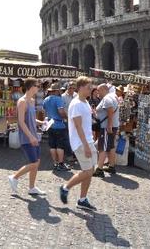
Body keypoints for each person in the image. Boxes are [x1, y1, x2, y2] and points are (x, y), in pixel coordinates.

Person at [59, 76, 98, 211]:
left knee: (90, 170)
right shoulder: (76, 104)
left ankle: (82, 199)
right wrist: (86, 145)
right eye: (88, 87)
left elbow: (85, 124)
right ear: (80, 88)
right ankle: (66, 187)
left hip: (87, 140)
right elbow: (78, 127)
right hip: (81, 142)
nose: (91, 90)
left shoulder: (85, 102)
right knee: (87, 171)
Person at [8, 78, 46, 196]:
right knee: (34, 163)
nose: (38, 88)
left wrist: (42, 122)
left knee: (36, 162)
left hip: (34, 135)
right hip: (27, 137)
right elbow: (21, 121)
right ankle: (14, 177)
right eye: (37, 85)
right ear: (30, 87)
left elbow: (31, 119)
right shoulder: (22, 101)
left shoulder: (32, 100)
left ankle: (32, 187)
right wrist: (30, 136)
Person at [93, 84, 120, 178]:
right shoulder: (113, 96)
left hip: (106, 127)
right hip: (112, 125)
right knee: (111, 146)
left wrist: (109, 125)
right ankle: (111, 166)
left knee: (103, 147)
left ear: (104, 89)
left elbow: (110, 110)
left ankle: (99, 169)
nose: (97, 92)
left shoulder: (107, 98)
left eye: (98, 90)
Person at [43, 82, 70, 171]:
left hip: (50, 124)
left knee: (52, 145)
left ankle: (55, 163)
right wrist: (67, 118)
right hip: (59, 125)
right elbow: (61, 112)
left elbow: (44, 112)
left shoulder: (46, 99)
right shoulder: (58, 99)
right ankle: (61, 164)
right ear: (57, 91)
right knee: (60, 146)